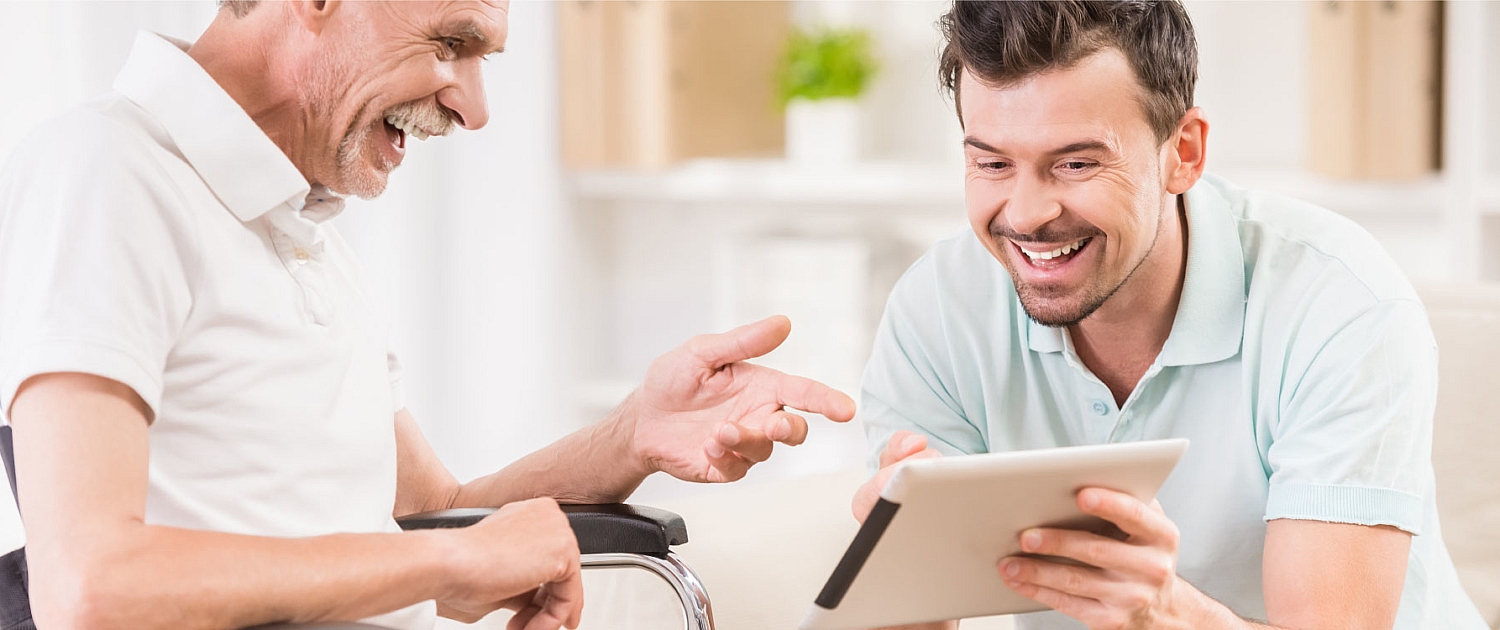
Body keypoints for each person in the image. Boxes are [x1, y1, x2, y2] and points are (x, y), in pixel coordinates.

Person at [0, 1, 856, 629]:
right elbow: (91, 586)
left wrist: (634, 434)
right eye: (453, 45)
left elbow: (436, 508)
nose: (474, 108)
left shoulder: (304, 229)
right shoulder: (108, 173)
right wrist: (447, 562)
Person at [850, 1, 1486, 629]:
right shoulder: (939, 308)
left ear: (1183, 152)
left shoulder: (1339, 304)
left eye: (1076, 163)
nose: (1025, 214)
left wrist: (1165, 615)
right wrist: (894, 577)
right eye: (992, 163)